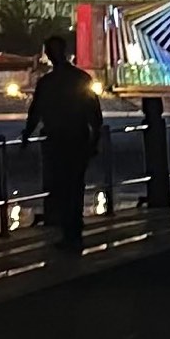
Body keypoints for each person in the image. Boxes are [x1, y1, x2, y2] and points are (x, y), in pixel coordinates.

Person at [25, 28, 104, 248]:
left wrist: (26, 135)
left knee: (60, 185)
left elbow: (36, 111)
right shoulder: (81, 78)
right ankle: (74, 229)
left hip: (56, 139)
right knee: (75, 185)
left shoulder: (47, 83)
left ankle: (66, 229)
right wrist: (94, 140)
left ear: (48, 54)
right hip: (77, 137)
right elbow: (94, 113)